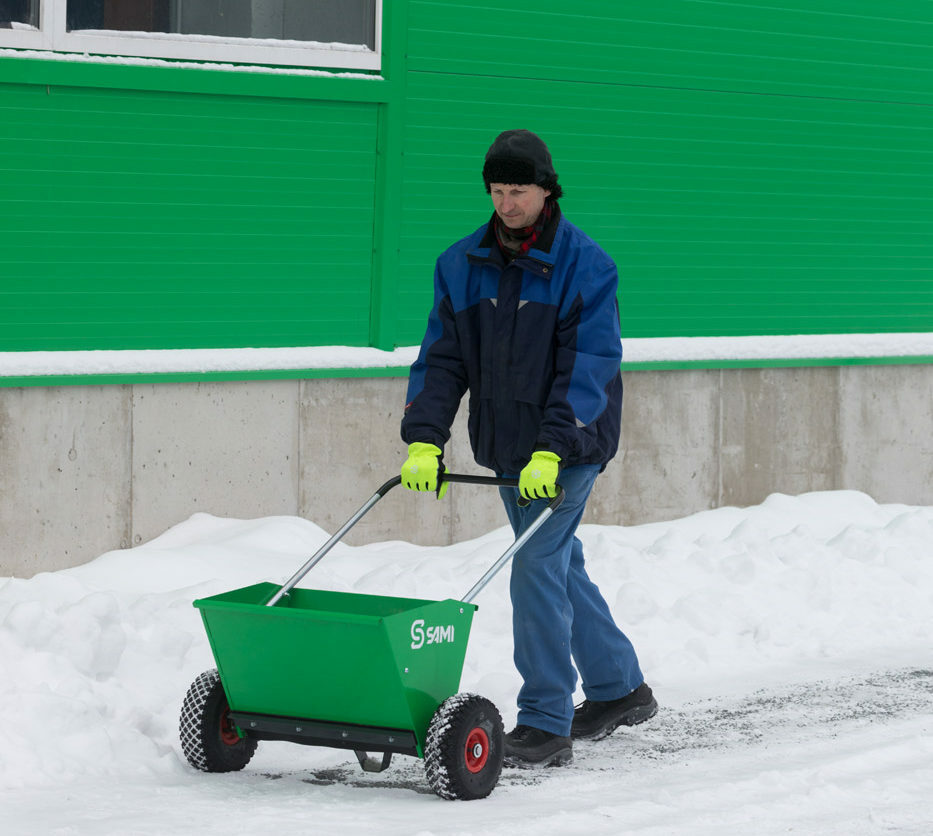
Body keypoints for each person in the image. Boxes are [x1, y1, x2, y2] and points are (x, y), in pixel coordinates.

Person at [400, 129, 657, 768]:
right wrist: (424, 440)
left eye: (518, 191)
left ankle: (545, 719)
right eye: (497, 190)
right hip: (509, 448)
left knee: (535, 564)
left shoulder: (585, 267)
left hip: (569, 447)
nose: (507, 203)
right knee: (559, 562)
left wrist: (554, 448)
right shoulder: (461, 265)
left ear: (547, 190)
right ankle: (619, 687)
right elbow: (443, 359)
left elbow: (589, 366)